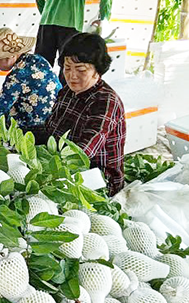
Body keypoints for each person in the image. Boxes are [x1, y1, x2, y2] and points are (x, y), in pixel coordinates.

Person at [40, 33, 126, 195]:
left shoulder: (106, 101)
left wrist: (44, 167)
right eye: (67, 68)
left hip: (97, 178)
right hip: (61, 165)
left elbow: (82, 153)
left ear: (97, 70)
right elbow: (49, 130)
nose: (72, 76)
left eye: (80, 70)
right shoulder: (66, 92)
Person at [0, 27, 60, 133]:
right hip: (55, 115)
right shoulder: (39, 60)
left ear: (11, 56)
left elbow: (1, 106)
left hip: (33, 125)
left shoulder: (16, 76)